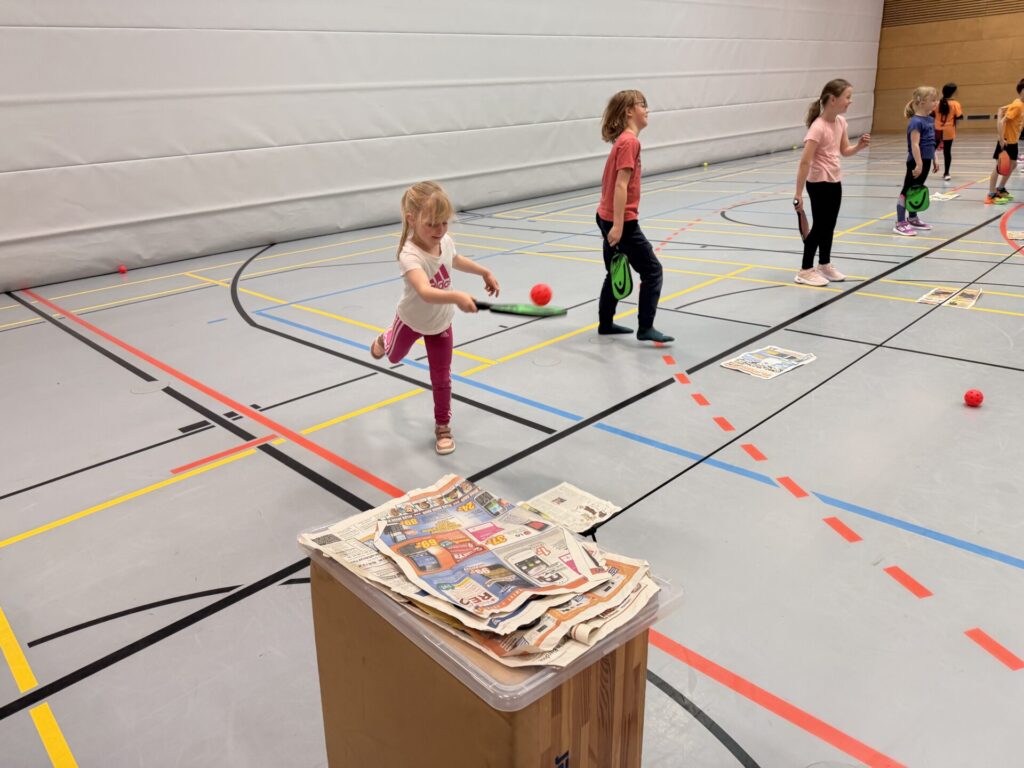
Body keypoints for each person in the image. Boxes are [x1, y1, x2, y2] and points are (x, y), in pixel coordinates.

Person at [370, 181, 500, 455]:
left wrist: (484, 271)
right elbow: (425, 292)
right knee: (393, 357)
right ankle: (385, 337)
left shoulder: (445, 241)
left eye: (444, 223)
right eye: (431, 224)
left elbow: (456, 259)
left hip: (441, 323)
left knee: (441, 377)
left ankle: (442, 426)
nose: (439, 230)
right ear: (411, 220)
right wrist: (457, 296)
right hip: (411, 320)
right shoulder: (409, 254)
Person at [595, 89, 674, 343]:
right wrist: (619, 225)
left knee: (614, 272)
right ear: (629, 111)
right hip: (622, 222)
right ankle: (645, 327)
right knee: (653, 271)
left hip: (605, 216)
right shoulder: (630, 142)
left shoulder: (623, 141)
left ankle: (606, 323)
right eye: (643, 105)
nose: (647, 109)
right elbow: (620, 185)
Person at [792, 79, 871, 286]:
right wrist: (798, 194)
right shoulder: (817, 128)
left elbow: (844, 151)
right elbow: (804, 162)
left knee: (830, 225)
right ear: (833, 100)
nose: (850, 101)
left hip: (835, 180)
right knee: (820, 227)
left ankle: (824, 264)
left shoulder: (841, 122)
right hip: (818, 183)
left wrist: (859, 147)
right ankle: (805, 270)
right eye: (847, 97)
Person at [893, 86, 939, 236]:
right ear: (922, 102)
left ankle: (912, 218)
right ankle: (900, 222)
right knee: (907, 190)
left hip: (926, 160)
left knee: (917, 189)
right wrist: (919, 164)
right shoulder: (916, 122)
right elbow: (915, 144)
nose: (936, 102)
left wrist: (935, 158)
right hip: (915, 161)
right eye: (933, 100)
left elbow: (931, 142)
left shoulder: (930, 119)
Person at [986, 78, 1024, 205]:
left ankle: (1000, 188)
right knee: (1000, 168)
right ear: (1021, 91)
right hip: (1006, 141)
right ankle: (991, 195)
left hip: (1013, 141)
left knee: (1013, 165)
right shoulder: (1017, 105)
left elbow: (1005, 110)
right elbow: (1002, 122)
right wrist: (1001, 139)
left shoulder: (1020, 104)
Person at [933, 83, 963, 181]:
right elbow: (959, 116)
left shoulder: (937, 103)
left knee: (930, 149)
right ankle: (946, 173)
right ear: (953, 92)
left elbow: (931, 114)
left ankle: (921, 168)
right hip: (949, 130)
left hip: (937, 129)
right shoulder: (955, 104)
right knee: (947, 152)